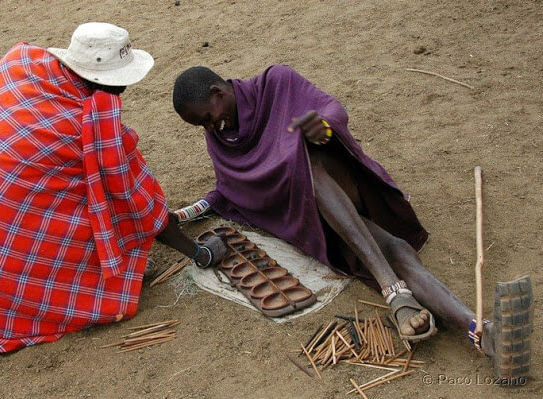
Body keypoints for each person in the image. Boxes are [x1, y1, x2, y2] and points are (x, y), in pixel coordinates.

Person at [172, 65, 532, 377]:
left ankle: (392, 291)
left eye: (206, 116)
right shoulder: (220, 138)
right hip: (313, 219)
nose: (208, 127)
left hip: (345, 187)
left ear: (218, 93)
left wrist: (322, 129)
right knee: (397, 250)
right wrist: (191, 211)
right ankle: (479, 330)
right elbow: (232, 186)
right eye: (200, 125)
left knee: (306, 162)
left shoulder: (276, 84)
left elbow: (331, 112)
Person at [0, 23, 226, 354]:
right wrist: (200, 253)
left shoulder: (21, 70)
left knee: (83, 193)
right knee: (101, 206)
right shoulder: (91, 127)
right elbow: (137, 203)